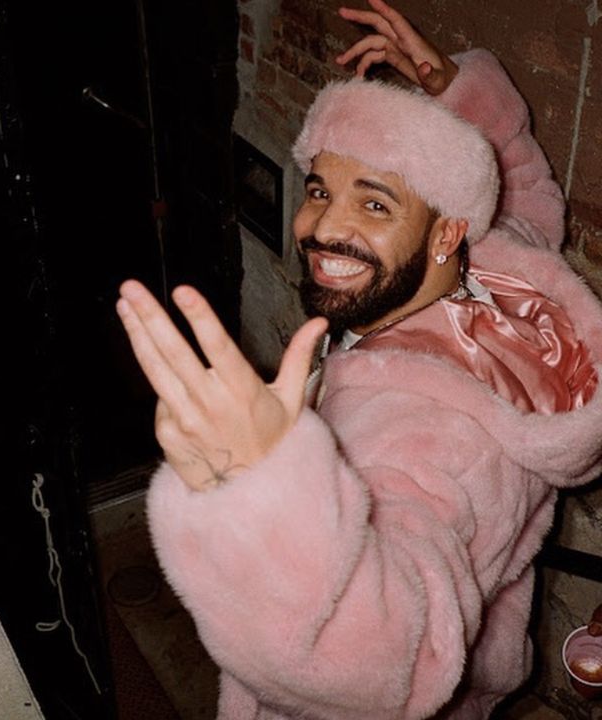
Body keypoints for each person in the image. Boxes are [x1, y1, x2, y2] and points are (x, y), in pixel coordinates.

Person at [116, 1, 602, 717]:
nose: (321, 227)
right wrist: (450, 89)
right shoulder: (503, 267)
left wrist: (264, 493)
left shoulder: (427, 435)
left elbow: (383, 666)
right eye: (320, 189)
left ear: (444, 235)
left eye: (374, 206)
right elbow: (528, 192)